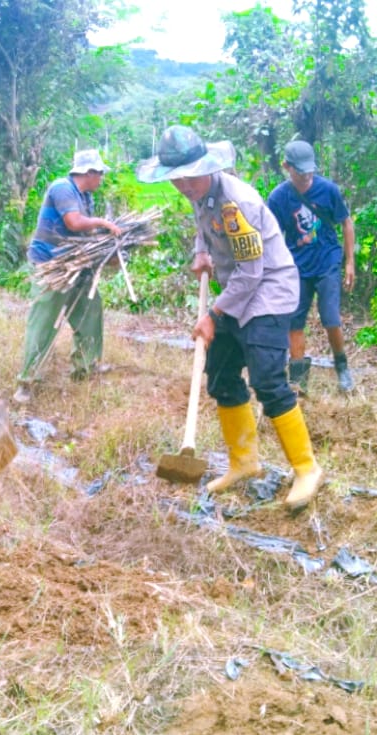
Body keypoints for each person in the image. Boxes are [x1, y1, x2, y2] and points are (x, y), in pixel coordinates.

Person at [138, 125, 324, 512]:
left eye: (190, 176)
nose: (184, 185)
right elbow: (203, 231)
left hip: (268, 292)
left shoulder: (234, 203)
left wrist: (212, 314)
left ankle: (307, 469)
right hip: (237, 292)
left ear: (206, 166)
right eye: (177, 179)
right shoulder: (199, 192)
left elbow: (253, 273)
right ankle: (244, 463)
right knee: (221, 374)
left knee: (268, 379)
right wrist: (201, 252)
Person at [13, 149, 122, 404]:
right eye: (100, 174)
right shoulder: (62, 188)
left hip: (75, 265)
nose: (102, 179)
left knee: (90, 310)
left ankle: (85, 365)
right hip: (50, 264)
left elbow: (85, 235)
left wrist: (110, 250)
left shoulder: (86, 197)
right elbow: (74, 222)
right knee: (44, 321)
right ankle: (27, 381)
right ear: (88, 173)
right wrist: (104, 223)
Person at [267, 140, 356, 394]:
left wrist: (349, 262)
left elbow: (346, 223)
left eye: (310, 171)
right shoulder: (278, 198)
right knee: (294, 321)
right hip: (296, 267)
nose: (306, 176)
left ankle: (342, 368)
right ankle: (298, 380)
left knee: (330, 317)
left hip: (327, 260)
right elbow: (272, 237)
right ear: (286, 167)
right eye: (300, 172)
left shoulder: (328, 190)